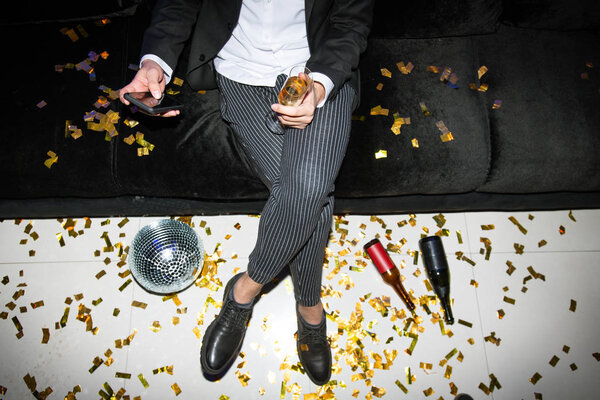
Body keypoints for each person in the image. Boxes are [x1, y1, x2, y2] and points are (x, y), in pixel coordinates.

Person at [119, 0, 374, 386]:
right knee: (308, 199)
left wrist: (319, 85)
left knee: (307, 187)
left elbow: (351, 19)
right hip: (242, 74)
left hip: (319, 67)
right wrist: (155, 63)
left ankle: (243, 291)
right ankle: (310, 307)